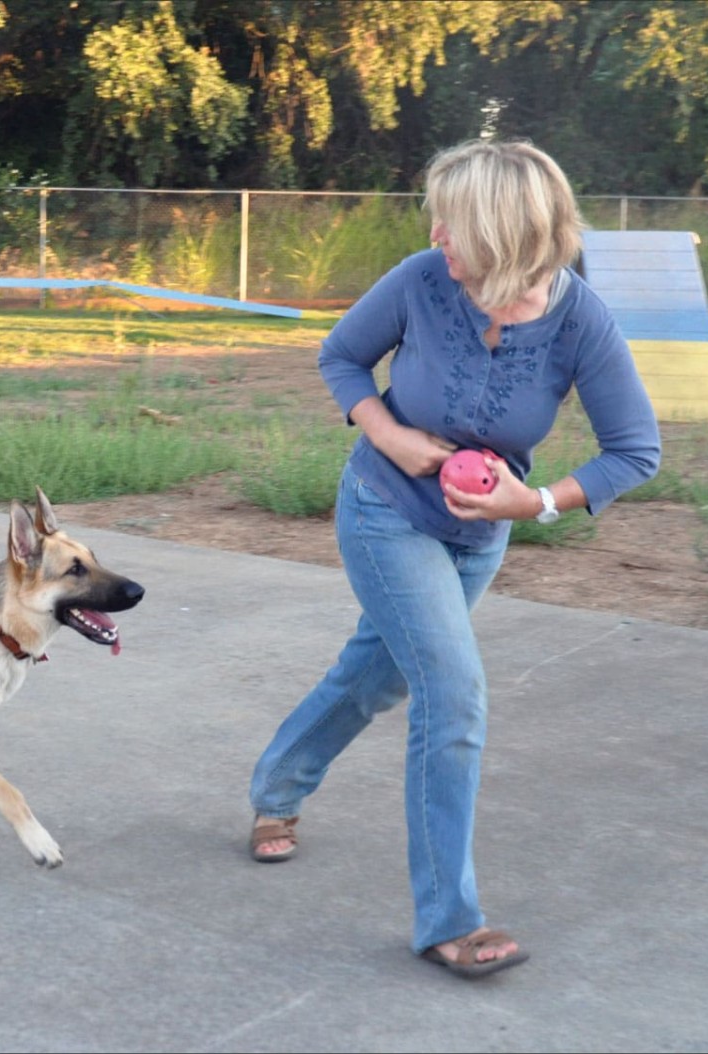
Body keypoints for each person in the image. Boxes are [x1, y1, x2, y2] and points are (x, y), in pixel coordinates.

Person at [245, 139, 662, 979]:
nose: (438, 233)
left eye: (456, 222)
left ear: (509, 239)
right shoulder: (420, 280)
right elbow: (341, 356)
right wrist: (391, 434)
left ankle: (275, 788)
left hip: (478, 538)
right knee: (454, 693)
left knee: (377, 675)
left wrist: (534, 503)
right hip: (383, 511)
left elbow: (634, 451)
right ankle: (449, 919)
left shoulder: (581, 321)